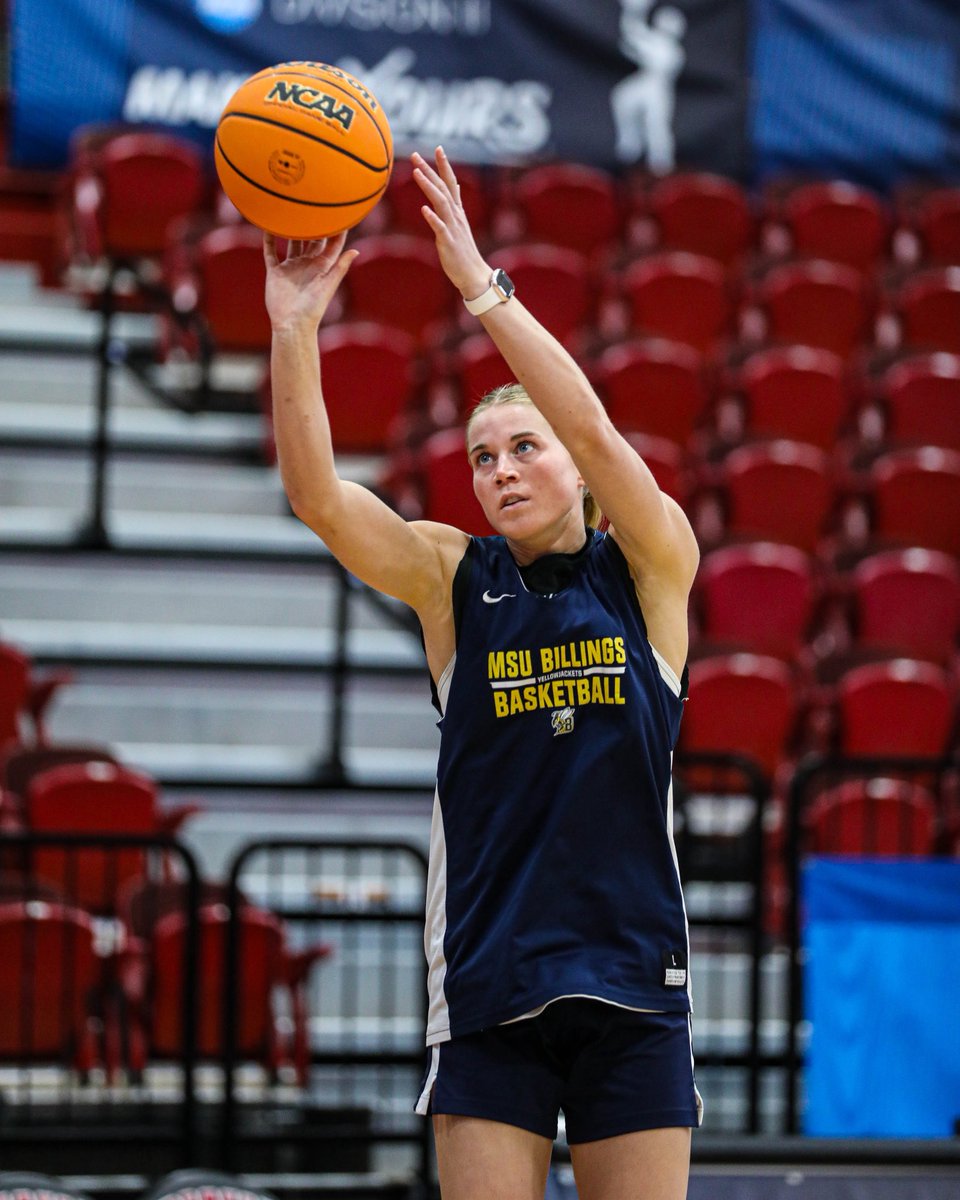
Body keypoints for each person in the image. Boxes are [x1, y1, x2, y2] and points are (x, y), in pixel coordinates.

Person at [263, 146, 702, 1200]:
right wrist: (293, 329)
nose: (501, 470)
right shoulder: (451, 577)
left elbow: (593, 425)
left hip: (634, 980)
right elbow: (319, 499)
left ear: (577, 471)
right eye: (482, 457)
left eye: (523, 447)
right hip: (490, 981)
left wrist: (478, 287)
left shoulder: (649, 563)